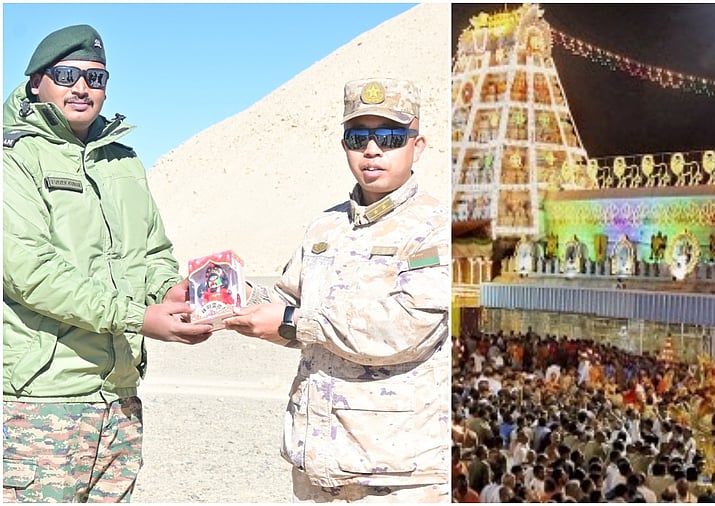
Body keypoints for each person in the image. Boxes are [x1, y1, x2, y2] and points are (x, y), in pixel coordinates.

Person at [3, 25, 213, 502]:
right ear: (37, 81)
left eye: (95, 78)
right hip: (42, 401)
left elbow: (154, 251)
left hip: (119, 396)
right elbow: (28, 273)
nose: (82, 88)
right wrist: (140, 317)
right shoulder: (13, 159)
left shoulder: (122, 160)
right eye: (67, 74)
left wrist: (171, 294)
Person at [224, 78, 449, 502]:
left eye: (390, 137)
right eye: (357, 137)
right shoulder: (326, 227)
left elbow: (405, 328)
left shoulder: (437, 229)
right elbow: (289, 302)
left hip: (398, 475)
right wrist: (234, 294)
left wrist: (294, 322)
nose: (372, 150)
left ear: (417, 146)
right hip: (320, 466)